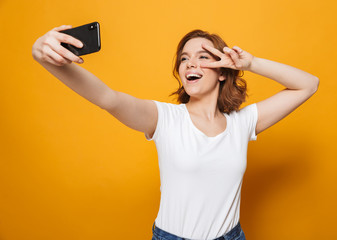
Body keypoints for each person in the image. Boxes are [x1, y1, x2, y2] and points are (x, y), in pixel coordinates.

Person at [32, 25, 319, 240]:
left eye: (203, 57)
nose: (190, 63)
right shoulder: (165, 118)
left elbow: (308, 84)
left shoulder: (242, 123)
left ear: (223, 70)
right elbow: (109, 98)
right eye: (184, 58)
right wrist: (45, 57)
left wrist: (250, 64)